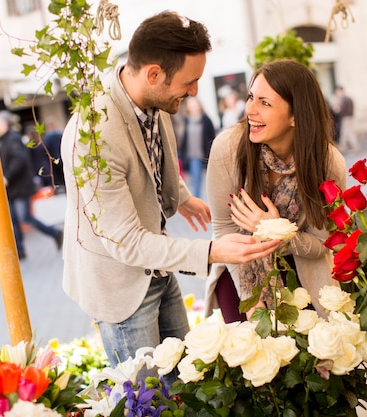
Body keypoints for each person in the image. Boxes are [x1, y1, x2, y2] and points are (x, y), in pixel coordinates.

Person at [59, 11, 281, 383]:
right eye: (190, 81)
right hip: (121, 287)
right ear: (153, 74)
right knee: (148, 400)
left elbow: (148, 162)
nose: (195, 91)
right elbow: (127, 243)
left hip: (158, 268)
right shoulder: (93, 137)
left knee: (187, 380)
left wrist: (180, 196)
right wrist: (212, 252)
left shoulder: (155, 101)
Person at [204, 59, 347, 322]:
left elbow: (323, 243)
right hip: (239, 269)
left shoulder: (328, 163)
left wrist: (278, 231)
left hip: (299, 268)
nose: (250, 110)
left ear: (295, 115)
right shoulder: (227, 148)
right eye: (250, 97)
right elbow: (223, 230)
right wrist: (252, 299)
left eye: (264, 103)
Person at [0, 110, 63, 260]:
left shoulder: (13, 139)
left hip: (19, 186)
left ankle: (54, 233)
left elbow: (19, 160)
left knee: (24, 217)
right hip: (12, 188)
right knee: (14, 219)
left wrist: (7, 177)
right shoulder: (5, 140)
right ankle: (20, 250)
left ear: (4, 124)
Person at [178, 96, 216, 198]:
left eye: (195, 105)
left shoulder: (206, 120)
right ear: (188, 107)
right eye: (191, 105)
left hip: (202, 153)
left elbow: (212, 137)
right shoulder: (186, 121)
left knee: (198, 180)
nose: (194, 107)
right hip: (190, 155)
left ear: (199, 106)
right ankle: (197, 199)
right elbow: (184, 140)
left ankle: (197, 199)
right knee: (195, 179)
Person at [331, 85, 358, 154]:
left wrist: (337, 109)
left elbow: (341, 110)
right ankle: (355, 147)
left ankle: (343, 148)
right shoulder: (348, 98)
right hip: (350, 117)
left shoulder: (343, 99)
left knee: (344, 133)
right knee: (350, 133)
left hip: (346, 117)